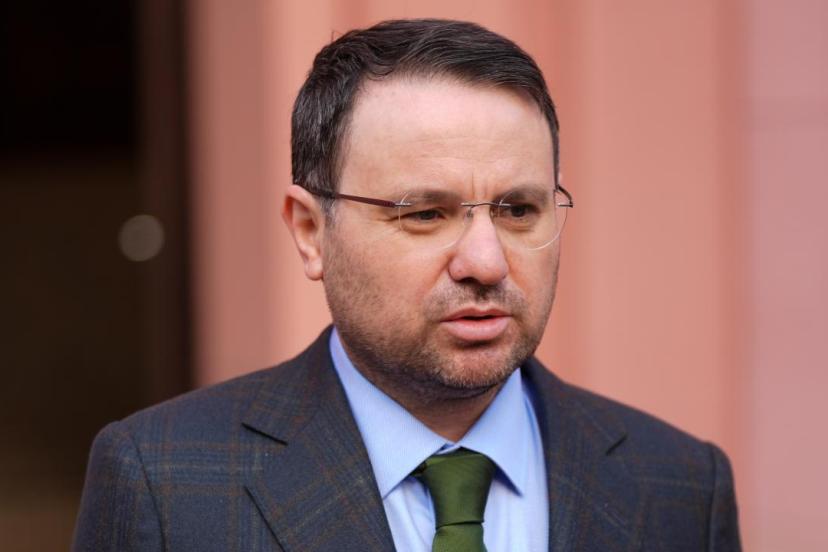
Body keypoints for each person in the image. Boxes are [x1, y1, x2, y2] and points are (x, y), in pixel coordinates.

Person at [73, 19, 741, 551]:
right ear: (311, 232)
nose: (486, 261)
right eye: (424, 213)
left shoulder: (679, 487)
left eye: (518, 210)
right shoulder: (166, 484)